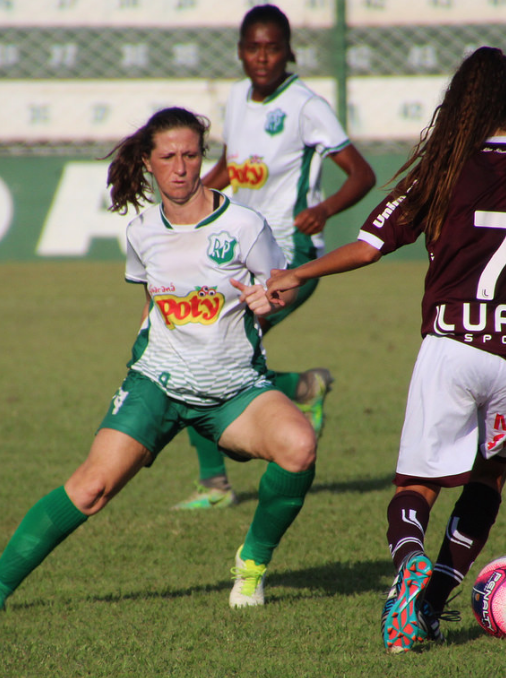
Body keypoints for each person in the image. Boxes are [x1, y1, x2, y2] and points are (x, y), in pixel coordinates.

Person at [266, 47, 506, 653]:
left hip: (453, 348)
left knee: (417, 486)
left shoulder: (440, 169)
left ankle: (409, 561)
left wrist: (297, 275)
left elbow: (366, 247)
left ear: (464, 102)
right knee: (489, 479)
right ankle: (433, 604)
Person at [0, 107, 317, 614]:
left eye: (190, 155)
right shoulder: (142, 231)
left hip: (234, 390)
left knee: (299, 446)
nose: (180, 167)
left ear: (202, 158)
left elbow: (277, 285)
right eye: (167, 156)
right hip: (157, 385)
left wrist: (268, 298)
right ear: (148, 162)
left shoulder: (244, 224)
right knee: (91, 488)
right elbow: (151, 303)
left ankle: (251, 564)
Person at [171, 3, 376, 510]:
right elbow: (232, 166)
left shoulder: (306, 105)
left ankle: (215, 482)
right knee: (201, 346)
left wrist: (324, 210)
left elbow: (362, 174)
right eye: (253, 47)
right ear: (240, 52)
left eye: (273, 48)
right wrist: (185, 199)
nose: (262, 57)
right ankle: (303, 389)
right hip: (241, 250)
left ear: (288, 52)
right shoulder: (238, 97)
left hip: (291, 257)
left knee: (206, 349)